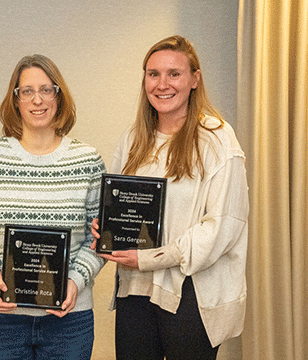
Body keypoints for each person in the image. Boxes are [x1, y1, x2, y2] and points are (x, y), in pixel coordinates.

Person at [91, 35, 249, 360]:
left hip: (192, 293)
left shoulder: (218, 139)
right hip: (135, 288)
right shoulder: (133, 138)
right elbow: (118, 204)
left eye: (174, 73)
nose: (162, 84)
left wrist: (151, 258)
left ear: (195, 79)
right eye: (153, 74)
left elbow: (221, 228)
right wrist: (106, 228)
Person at [0, 54, 106, 360]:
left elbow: (100, 236)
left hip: (68, 320)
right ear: (15, 99)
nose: (38, 100)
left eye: (47, 90)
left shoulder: (88, 160)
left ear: (59, 97)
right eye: (27, 91)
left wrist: (76, 281)